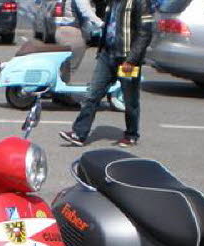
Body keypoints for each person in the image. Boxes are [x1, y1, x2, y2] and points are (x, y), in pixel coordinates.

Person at [59, 0, 154, 148]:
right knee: (92, 94)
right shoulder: (113, 2)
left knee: (130, 100)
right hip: (107, 55)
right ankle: (79, 133)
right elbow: (108, 26)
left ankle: (131, 135)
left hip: (126, 58)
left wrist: (132, 59)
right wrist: (101, 50)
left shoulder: (140, 2)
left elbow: (145, 33)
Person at [54, 0, 103, 82]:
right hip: (72, 32)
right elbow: (87, 12)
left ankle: (60, 85)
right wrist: (101, 24)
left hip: (62, 30)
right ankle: (61, 85)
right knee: (71, 65)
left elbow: (58, 17)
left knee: (65, 64)